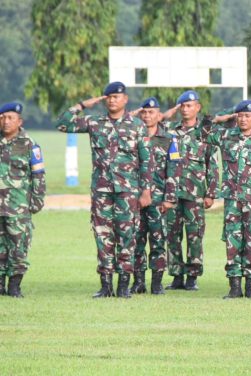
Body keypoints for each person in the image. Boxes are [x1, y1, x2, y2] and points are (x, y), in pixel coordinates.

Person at [55, 81, 152, 298]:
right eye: (108, 97)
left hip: (128, 191)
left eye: (116, 97)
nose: (112, 100)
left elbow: (146, 161)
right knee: (102, 235)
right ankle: (106, 285)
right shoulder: (95, 122)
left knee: (127, 235)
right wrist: (82, 104)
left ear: (125, 99)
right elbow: (62, 123)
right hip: (102, 191)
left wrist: (146, 191)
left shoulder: (137, 125)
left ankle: (124, 285)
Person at [205, 100, 251, 299]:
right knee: (232, 240)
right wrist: (221, 117)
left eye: (247, 116)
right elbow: (202, 132)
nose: (243, 119)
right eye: (240, 116)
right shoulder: (227, 137)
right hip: (232, 199)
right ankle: (235, 285)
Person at [165, 90, 219, 291]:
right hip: (171, 192)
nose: (186, 109)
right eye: (183, 106)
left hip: (195, 193)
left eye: (190, 106)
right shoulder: (170, 131)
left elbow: (212, 164)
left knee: (195, 235)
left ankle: (192, 277)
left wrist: (211, 192)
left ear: (198, 107)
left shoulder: (205, 133)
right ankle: (177, 276)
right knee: (172, 235)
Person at [130, 97, 181, 294]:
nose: (147, 116)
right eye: (144, 112)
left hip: (159, 199)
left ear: (159, 115)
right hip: (136, 198)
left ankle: (157, 282)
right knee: (136, 240)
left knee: (158, 240)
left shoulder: (169, 139)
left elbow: (174, 169)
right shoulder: (133, 137)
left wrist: (170, 198)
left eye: (151, 112)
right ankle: (139, 281)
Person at [0, 102, 46, 297]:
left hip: (18, 207)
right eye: (2, 118)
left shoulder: (29, 145)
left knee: (19, 247)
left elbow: (39, 175)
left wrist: (37, 200)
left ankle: (14, 286)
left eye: (10, 118)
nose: (6, 121)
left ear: (20, 121)